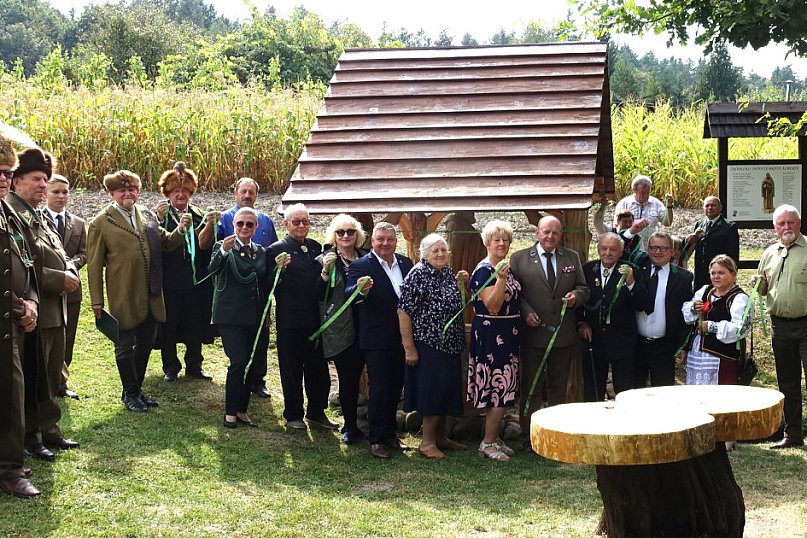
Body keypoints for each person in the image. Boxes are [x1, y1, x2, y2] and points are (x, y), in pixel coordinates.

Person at [87, 170, 190, 412]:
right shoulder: (101, 222)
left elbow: (166, 243)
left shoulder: (147, 214)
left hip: (152, 291)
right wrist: (97, 301)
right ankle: (131, 393)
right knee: (124, 344)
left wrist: (182, 230)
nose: (127, 193)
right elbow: (93, 266)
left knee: (146, 342)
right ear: (112, 193)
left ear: (138, 191)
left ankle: (135, 390)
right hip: (123, 291)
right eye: (121, 190)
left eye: (131, 189)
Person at [7, 148, 80, 461]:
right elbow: (24, 265)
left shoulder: (37, 214)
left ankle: (49, 430)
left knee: (52, 374)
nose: (42, 185)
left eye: (45, 179)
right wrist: (58, 279)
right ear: (16, 181)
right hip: (37, 308)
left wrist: (70, 270)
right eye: (37, 179)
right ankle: (32, 437)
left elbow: (60, 253)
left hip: (55, 309)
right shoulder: (14, 213)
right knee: (35, 378)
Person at [510, 215, 589, 429]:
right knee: (531, 386)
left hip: (562, 336)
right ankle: (529, 434)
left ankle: (556, 431)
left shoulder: (571, 258)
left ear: (561, 235)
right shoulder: (519, 258)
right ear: (537, 232)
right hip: (532, 334)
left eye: (555, 232)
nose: (550, 236)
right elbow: (514, 293)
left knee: (558, 386)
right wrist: (525, 312)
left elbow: (584, 288)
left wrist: (575, 296)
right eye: (546, 231)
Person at [346, 222, 414, 459]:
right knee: (380, 388)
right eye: (380, 239)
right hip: (376, 338)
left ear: (396, 242)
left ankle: (389, 434)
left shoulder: (405, 263)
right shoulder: (360, 265)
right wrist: (360, 290)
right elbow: (349, 295)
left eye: (390, 239)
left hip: (403, 338)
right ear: (372, 241)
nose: (385, 243)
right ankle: (376, 439)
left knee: (397, 387)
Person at [398, 233, 467, 460]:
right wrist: (409, 348)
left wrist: (462, 285)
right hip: (428, 344)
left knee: (446, 390)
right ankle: (426, 442)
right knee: (433, 392)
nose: (440, 254)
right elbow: (403, 312)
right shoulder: (418, 274)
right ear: (424, 254)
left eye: (443, 250)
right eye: (435, 250)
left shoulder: (447, 272)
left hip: (450, 344)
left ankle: (440, 437)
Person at [267, 203, 336, 431]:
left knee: (318, 369)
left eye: (305, 221)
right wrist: (280, 271)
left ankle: (316, 413)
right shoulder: (276, 250)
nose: (300, 225)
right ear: (286, 224)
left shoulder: (316, 247)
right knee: (292, 369)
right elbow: (269, 286)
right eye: (295, 222)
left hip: (315, 320)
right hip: (291, 321)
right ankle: (293, 414)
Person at [0, 140, 42, 498]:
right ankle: (9, 469)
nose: (2, 178)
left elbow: (26, 262)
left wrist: (30, 300)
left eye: (6, 172)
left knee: (13, 396)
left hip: (11, 324)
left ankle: (9, 465)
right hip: (8, 317)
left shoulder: (9, 212)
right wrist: (20, 308)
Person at [209, 207, 273, 429]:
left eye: (249, 224)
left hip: (255, 315)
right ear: (233, 225)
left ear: (256, 227)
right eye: (240, 224)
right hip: (230, 315)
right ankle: (229, 413)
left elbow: (265, 284)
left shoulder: (260, 251)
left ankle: (242, 410)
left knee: (252, 363)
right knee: (238, 362)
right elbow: (212, 270)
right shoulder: (223, 246)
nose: (244, 228)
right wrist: (224, 252)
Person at [152, 162, 216, 382]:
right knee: (169, 324)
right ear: (168, 192)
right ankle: (170, 366)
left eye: (185, 191)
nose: (181, 194)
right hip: (169, 280)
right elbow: (154, 243)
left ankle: (194, 365)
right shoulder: (159, 215)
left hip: (196, 280)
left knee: (195, 322)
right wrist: (159, 220)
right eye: (176, 191)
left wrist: (209, 226)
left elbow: (206, 246)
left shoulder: (199, 214)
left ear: (191, 193)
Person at [216, 177, 278, 398]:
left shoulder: (266, 220)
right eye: (243, 191)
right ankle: (239, 380)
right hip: (232, 289)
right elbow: (215, 255)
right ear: (235, 194)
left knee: (260, 338)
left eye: (252, 192)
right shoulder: (224, 218)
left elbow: (270, 255)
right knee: (239, 348)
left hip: (259, 290)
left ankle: (258, 380)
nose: (247, 196)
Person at [466, 220, 521, 462]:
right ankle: (487, 443)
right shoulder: (484, 271)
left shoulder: (503, 266)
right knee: (498, 388)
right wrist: (500, 280)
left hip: (508, 335)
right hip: (492, 336)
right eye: (496, 240)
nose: (501, 243)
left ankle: (494, 436)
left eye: (505, 240)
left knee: (505, 388)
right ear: (487, 243)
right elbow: (494, 305)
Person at [755, 204, 807, 449]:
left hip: (806, 325)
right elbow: (764, 289)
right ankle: (793, 434)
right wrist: (759, 283)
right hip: (780, 327)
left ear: (799, 223)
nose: (786, 227)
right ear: (775, 227)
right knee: (787, 382)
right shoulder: (769, 253)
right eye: (781, 223)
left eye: (790, 222)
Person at [315, 214, 369, 444]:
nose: (346, 236)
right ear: (334, 236)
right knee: (347, 379)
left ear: (358, 235)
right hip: (340, 327)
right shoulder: (325, 259)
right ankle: (350, 426)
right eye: (341, 232)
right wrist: (325, 273)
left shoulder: (367, 258)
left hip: (367, 325)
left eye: (350, 232)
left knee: (365, 375)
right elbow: (317, 295)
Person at [577, 233, 644, 402]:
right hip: (593, 339)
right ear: (598, 249)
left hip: (623, 341)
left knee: (625, 391)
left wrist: (630, 283)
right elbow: (580, 300)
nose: (608, 253)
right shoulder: (587, 269)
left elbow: (642, 304)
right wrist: (581, 322)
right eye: (604, 248)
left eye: (613, 249)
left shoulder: (632, 270)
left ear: (620, 252)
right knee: (593, 391)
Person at [43, 174, 86, 399]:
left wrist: (72, 268)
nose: (61, 196)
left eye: (65, 192)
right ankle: (47, 382)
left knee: (67, 339)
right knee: (50, 341)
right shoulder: (37, 220)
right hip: (48, 292)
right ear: (46, 194)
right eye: (55, 192)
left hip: (72, 290)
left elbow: (84, 252)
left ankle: (62, 382)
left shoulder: (78, 223)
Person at [634, 232, 693, 388]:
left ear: (672, 252)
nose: (657, 252)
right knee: (633, 391)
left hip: (664, 347)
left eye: (663, 248)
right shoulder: (638, 269)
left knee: (663, 393)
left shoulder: (683, 278)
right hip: (636, 345)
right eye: (653, 247)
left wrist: (682, 346)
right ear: (647, 249)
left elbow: (684, 316)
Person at [683, 255, 751, 385]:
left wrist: (712, 326)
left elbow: (740, 329)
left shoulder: (739, 298)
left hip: (723, 357)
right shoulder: (705, 291)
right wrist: (693, 308)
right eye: (713, 273)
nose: (716, 276)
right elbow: (687, 314)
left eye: (721, 273)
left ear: (733, 275)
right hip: (698, 354)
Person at [684, 196, 740, 290]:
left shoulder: (729, 226)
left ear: (720, 208)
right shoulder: (699, 224)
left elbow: (733, 254)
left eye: (713, 205)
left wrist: (731, 274)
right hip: (701, 274)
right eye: (707, 206)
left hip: (719, 273)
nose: (710, 208)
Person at [613, 175, 674, 250]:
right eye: (642, 193)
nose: (645, 195)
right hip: (628, 247)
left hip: (650, 248)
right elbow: (616, 225)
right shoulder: (624, 203)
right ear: (634, 190)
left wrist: (669, 207)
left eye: (647, 192)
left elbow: (667, 223)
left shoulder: (657, 203)